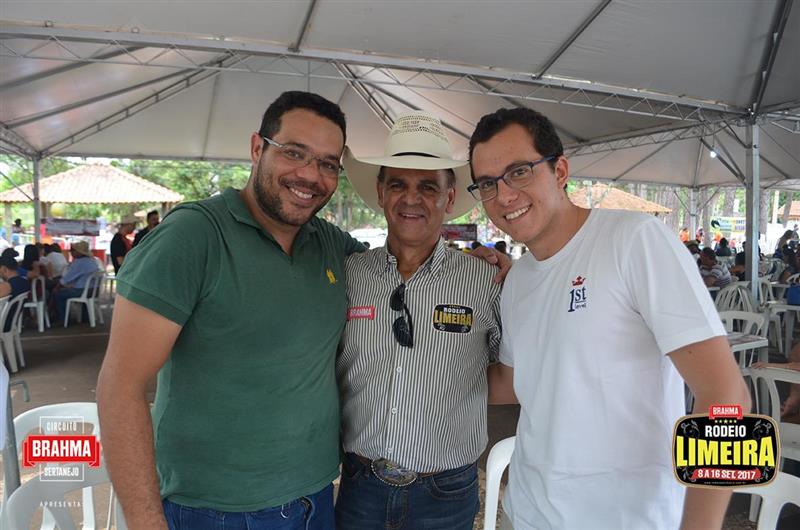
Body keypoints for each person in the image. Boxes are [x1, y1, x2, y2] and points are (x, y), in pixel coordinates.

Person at [468, 107, 750, 530]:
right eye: (488, 184)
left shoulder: (634, 240)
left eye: (519, 172)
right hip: (527, 512)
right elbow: (511, 381)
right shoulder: (519, 278)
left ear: (560, 170)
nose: (504, 195)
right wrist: (419, 365)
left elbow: (728, 396)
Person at [96, 91, 363, 530]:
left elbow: (400, 269)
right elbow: (120, 385)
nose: (310, 175)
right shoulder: (191, 236)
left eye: (328, 164)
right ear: (258, 148)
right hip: (213, 510)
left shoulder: (330, 244)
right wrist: (145, 521)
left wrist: (477, 265)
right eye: (294, 152)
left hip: (315, 497)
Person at [336, 112, 502, 529]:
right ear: (381, 192)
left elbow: (516, 372)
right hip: (361, 486)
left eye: (428, 187)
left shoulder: (486, 281)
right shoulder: (348, 274)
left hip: (445, 492)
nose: (411, 199)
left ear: (449, 198)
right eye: (398, 184)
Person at [52, 241, 101, 322]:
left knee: (58, 294)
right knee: (77, 291)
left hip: (81, 291)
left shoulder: (78, 262)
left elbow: (66, 279)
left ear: (78, 252)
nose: (71, 252)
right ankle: (85, 317)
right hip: (94, 290)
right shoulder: (93, 261)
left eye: (72, 250)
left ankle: (63, 319)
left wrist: (57, 287)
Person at [0, 251, 31, 330]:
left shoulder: (7, 286)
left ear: (4, 269)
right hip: (11, 321)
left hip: (3, 322)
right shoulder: (25, 282)